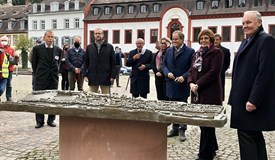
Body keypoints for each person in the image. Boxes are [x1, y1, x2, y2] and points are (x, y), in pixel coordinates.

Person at [228, 11, 275, 160]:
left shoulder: (265, 40)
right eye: (243, 23)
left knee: (246, 135)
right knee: (254, 134)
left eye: (248, 22)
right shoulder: (246, 40)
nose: (244, 26)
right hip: (242, 99)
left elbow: (265, 73)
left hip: (251, 100)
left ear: (259, 22)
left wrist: (254, 99)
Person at [188, 29, 223, 160]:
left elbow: (214, 72)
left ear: (211, 40)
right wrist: (191, 83)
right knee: (203, 123)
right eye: (201, 38)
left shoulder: (216, 52)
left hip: (210, 93)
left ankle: (205, 155)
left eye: (206, 38)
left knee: (207, 124)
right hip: (197, 92)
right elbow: (191, 70)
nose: (203, 41)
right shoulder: (197, 53)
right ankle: (212, 148)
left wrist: (198, 84)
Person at [162, 30, 194, 141]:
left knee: (182, 108)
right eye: (173, 39)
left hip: (182, 84)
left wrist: (184, 77)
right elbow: (164, 64)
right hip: (170, 83)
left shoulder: (190, 51)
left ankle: (182, 129)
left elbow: (192, 68)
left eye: (176, 39)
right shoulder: (169, 50)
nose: (174, 41)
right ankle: (174, 128)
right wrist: (167, 73)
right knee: (172, 107)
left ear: (182, 39)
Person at [32, 30, 62, 128]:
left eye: (52, 37)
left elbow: (58, 64)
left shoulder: (58, 50)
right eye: (48, 37)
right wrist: (38, 74)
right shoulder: (37, 49)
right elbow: (34, 63)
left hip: (53, 78)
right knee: (39, 99)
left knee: (52, 99)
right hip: (41, 78)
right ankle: (39, 121)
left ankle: (51, 120)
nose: (50, 39)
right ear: (44, 37)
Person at [83, 28, 116, 94]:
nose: (97, 35)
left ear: (103, 35)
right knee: (92, 97)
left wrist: (112, 76)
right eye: (96, 33)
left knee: (106, 97)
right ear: (94, 35)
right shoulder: (89, 47)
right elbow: (86, 62)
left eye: (99, 33)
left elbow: (113, 63)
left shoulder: (109, 47)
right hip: (93, 76)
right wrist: (85, 74)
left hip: (105, 76)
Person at [214, 33, 230, 101]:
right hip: (210, 74)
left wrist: (221, 70)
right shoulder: (209, 49)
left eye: (217, 40)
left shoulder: (226, 51)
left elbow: (227, 63)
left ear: (220, 40)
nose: (215, 41)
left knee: (220, 89)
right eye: (214, 40)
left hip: (220, 74)